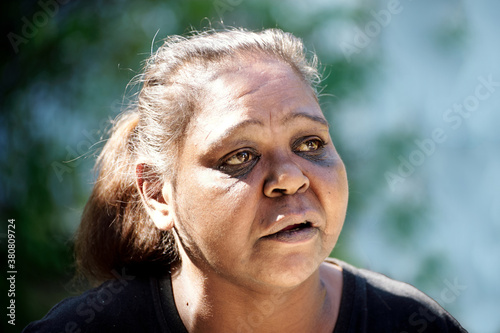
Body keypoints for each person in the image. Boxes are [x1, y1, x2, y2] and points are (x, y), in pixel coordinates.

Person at [23, 28, 467, 333]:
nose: (290, 178)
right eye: (241, 155)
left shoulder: (412, 323)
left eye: (310, 144)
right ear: (159, 194)